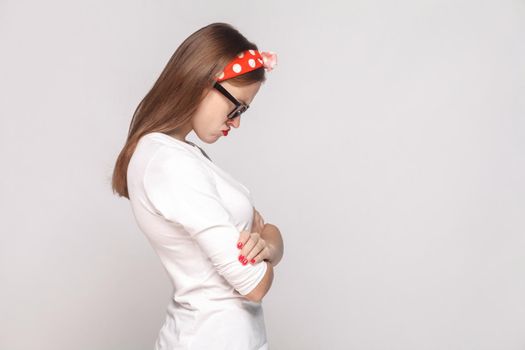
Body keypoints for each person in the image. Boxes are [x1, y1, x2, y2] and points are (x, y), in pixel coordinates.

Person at [110, 22, 284, 350]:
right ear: (201, 83)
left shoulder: (186, 156)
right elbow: (254, 283)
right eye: (236, 106)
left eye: (244, 110)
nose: (237, 121)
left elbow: (268, 232)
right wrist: (268, 247)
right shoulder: (168, 164)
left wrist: (269, 246)